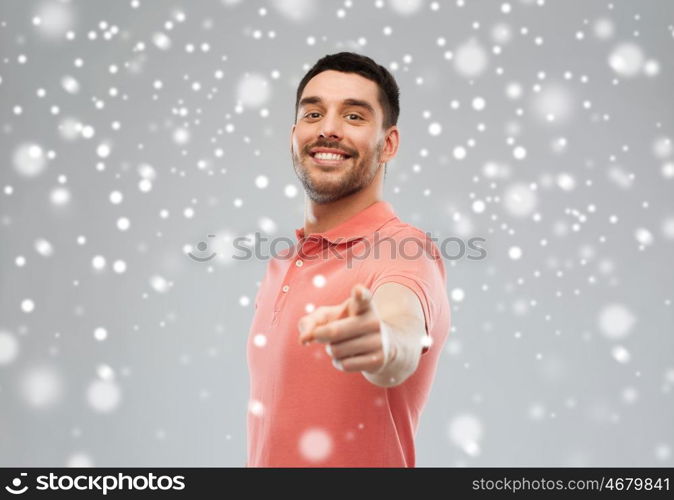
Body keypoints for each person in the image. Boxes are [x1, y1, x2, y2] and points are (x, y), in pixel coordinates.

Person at [246, 52, 450, 467]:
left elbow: (401, 327)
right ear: (294, 134)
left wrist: (385, 342)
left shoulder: (404, 250)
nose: (329, 130)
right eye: (314, 113)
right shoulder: (281, 263)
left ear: (388, 144)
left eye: (354, 117)